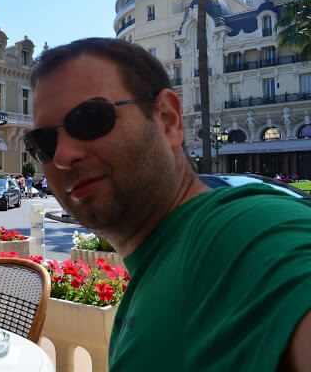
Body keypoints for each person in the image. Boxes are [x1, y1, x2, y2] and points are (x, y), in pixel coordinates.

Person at [26, 37, 311, 371]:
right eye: (44, 142)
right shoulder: (155, 268)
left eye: (89, 119)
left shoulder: (250, 232)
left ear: (168, 119)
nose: (62, 156)